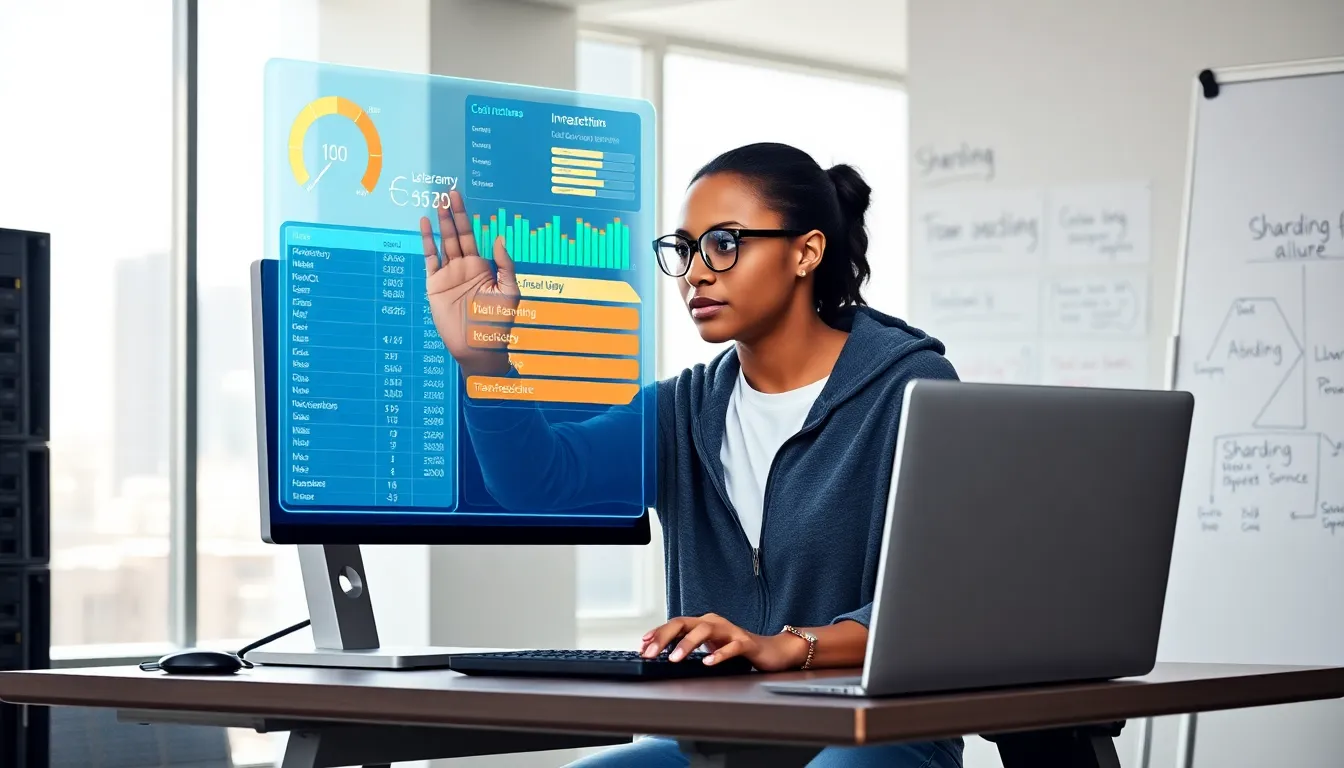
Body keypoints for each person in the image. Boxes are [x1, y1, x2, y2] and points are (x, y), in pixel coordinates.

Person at [419, 142, 963, 767]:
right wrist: (486, 359)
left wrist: (788, 646)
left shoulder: (911, 389)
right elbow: (536, 479)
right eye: (684, 249)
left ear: (806, 252)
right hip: (718, 736)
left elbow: (937, 607)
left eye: (724, 244)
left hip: (875, 734)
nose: (696, 273)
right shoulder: (683, 409)